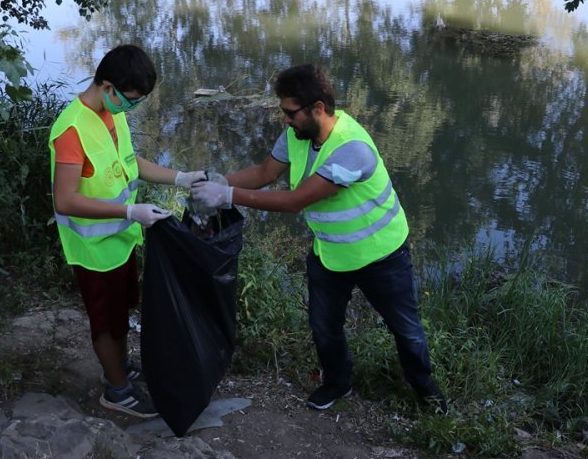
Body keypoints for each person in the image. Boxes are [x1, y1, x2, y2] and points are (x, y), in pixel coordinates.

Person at [190, 64, 447, 413]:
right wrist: (215, 181)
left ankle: (425, 389)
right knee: (325, 326)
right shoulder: (297, 135)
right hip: (331, 252)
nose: (285, 120)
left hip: (382, 255)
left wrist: (227, 196)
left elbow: (295, 201)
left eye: (290, 112)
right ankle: (338, 383)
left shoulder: (352, 149)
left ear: (318, 108)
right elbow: (264, 173)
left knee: (406, 329)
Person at [49, 44, 206, 418]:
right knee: (106, 323)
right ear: (107, 86)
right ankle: (116, 391)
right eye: (130, 100)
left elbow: (130, 162)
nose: (132, 108)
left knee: (120, 314)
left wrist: (180, 177)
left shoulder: (111, 112)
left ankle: (119, 365)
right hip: (94, 251)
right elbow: (65, 200)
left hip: (120, 241)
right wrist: (130, 211)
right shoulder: (72, 130)